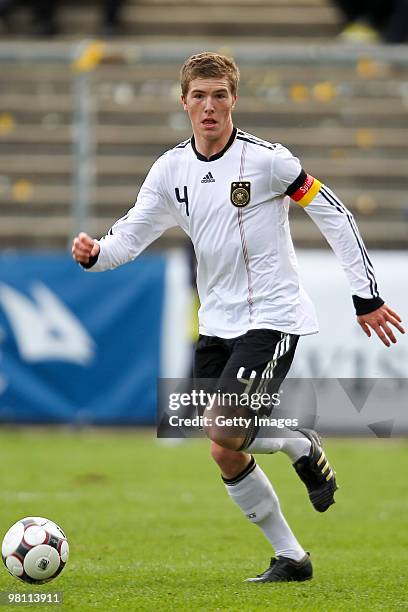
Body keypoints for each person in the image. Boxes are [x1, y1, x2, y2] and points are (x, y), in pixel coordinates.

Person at [72, 52, 405, 583]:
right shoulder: (170, 170)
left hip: (272, 316)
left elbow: (334, 215)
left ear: (234, 100)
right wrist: (95, 254)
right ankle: (292, 557)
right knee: (223, 450)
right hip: (217, 321)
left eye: (220, 95)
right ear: (184, 102)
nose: (209, 106)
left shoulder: (269, 162)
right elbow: (130, 237)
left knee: (223, 427)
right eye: (199, 96)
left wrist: (365, 296)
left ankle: (300, 443)